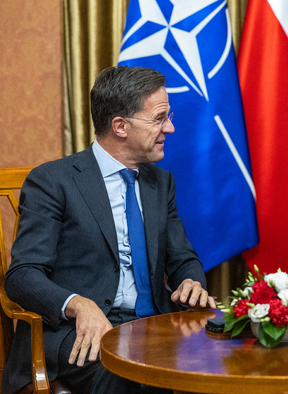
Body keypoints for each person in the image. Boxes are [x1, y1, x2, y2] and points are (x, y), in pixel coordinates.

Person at [2, 66, 216, 394]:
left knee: (225, 359)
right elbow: (22, 275)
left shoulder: (161, 183)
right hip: (80, 330)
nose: (170, 128)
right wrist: (78, 304)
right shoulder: (54, 181)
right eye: (159, 118)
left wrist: (191, 281)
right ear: (120, 126)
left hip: (155, 325)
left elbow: (182, 257)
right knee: (131, 372)